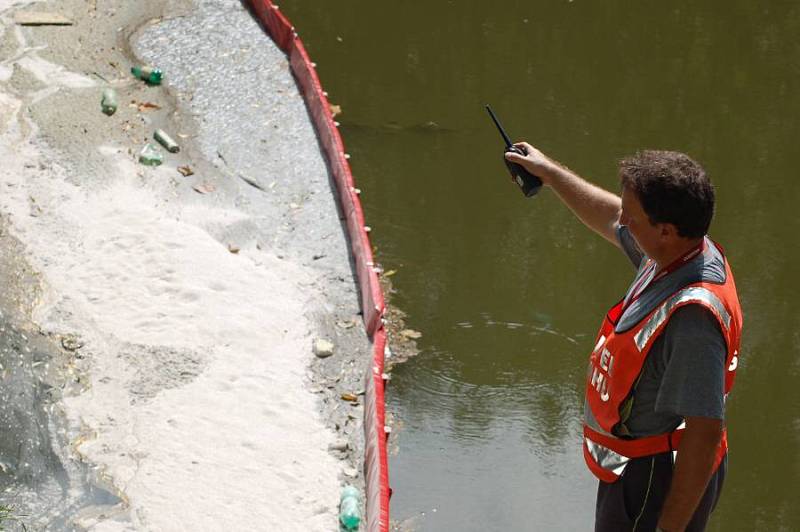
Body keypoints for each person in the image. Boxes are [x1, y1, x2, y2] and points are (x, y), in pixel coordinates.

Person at [505, 145, 743, 532]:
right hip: (638, 465)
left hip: (657, 480)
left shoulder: (694, 320)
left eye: (631, 217)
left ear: (664, 230)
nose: (622, 222)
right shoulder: (676, 250)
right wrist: (550, 172)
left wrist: (669, 527)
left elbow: (704, 434)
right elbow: (608, 217)